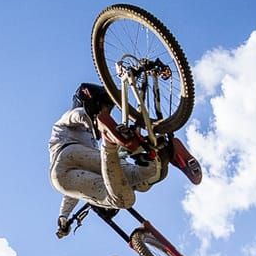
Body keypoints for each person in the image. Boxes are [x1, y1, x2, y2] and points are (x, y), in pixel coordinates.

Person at [49, 82, 170, 231]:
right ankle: (146, 160)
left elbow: (74, 192)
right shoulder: (67, 119)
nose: (106, 112)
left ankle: (158, 159)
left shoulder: (92, 140)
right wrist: (92, 118)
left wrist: (63, 217)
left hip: (64, 177)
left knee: (132, 189)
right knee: (129, 179)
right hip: (65, 158)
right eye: (105, 109)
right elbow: (76, 116)